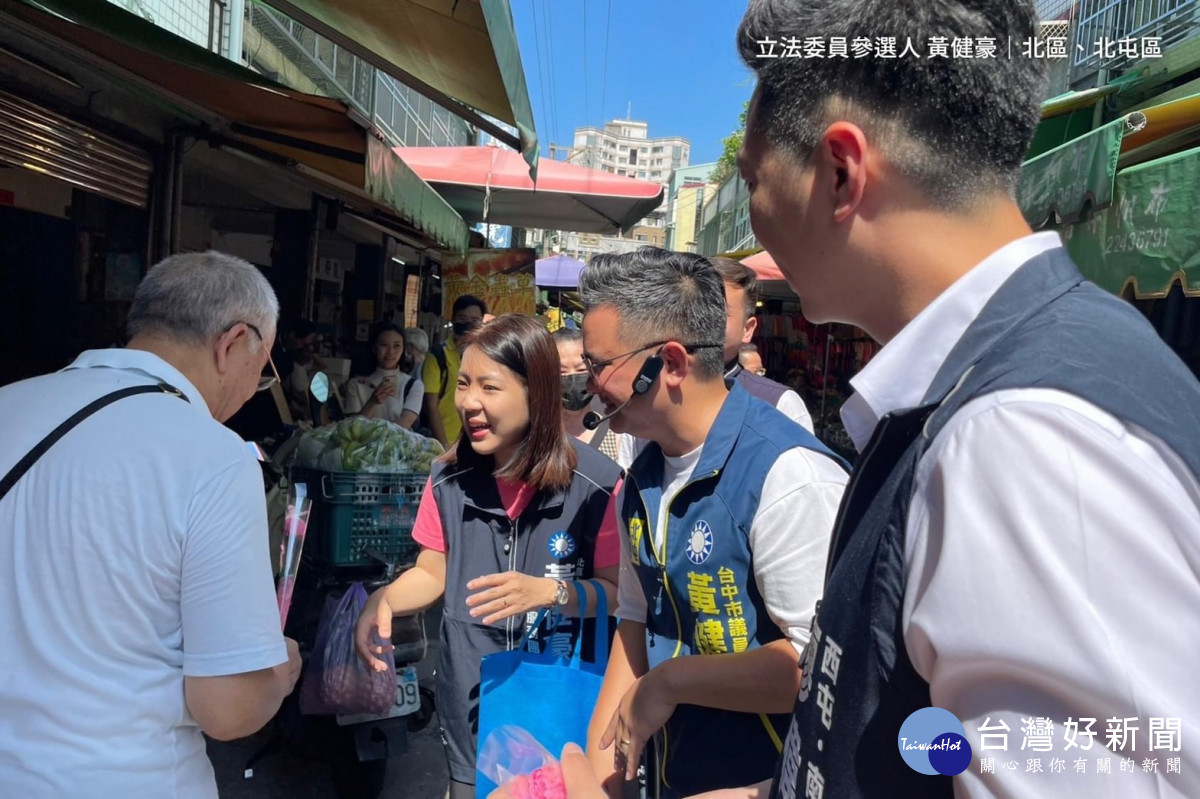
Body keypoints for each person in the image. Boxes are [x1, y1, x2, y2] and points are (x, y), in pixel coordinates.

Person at [733, 1, 1200, 798]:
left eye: (752, 178)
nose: (754, 211)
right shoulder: (992, 383)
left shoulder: (1023, 434)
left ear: (840, 172)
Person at [0, 251, 302, 798]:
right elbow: (229, 709)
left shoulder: (9, 406)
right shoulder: (214, 456)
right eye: (262, 371)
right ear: (233, 343)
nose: (251, 391)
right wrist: (275, 676)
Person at [578, 248, 849, 798]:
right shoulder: (640, 478)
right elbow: (636, 621)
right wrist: (600, 776)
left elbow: (816, 666)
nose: (590, 385)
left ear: (671, 363)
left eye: (598, 365)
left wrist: (671, 682)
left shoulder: (788, 475)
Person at [355, 314, 624, 799]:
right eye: (462, 384)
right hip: (473, 695)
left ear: (536, 392)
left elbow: (617, 593)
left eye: (489, 387)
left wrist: (551, 592)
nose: (468, 403)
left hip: (560, 696)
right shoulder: (447, 478)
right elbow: (432, 572)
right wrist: (385, 601)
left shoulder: (599, 484)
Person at [616, 256, 814, 468]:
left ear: (747, 329)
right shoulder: (647, 392)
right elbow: (627, 476)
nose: (701, 320)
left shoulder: (780, 404)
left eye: (718, 312)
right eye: (692, 308)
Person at [423, 294, 487, 447]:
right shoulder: (437, 356)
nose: (468, 324)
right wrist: (444, 445)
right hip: (446, 442)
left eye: (474, 320)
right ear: (453, 319)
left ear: (482, 323)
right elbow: (431, 407)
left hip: (478, 442)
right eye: (462, 318)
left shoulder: (489, 355)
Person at [554, 327, 623, 462]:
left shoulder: (616, 435)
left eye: (581, 369)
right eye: (561, 372)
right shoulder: (537, 436)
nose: (572, 378)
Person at [343, 323, 424, 429]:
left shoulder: (413, 385)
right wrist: (372, 402)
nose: (390, 352)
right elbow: (351, 428)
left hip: (397, 445)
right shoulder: (356, 384)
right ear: (374, 348)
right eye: (384, 345)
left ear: (404, 349)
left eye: (397, 346)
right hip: (363, 445)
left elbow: (404, 423)